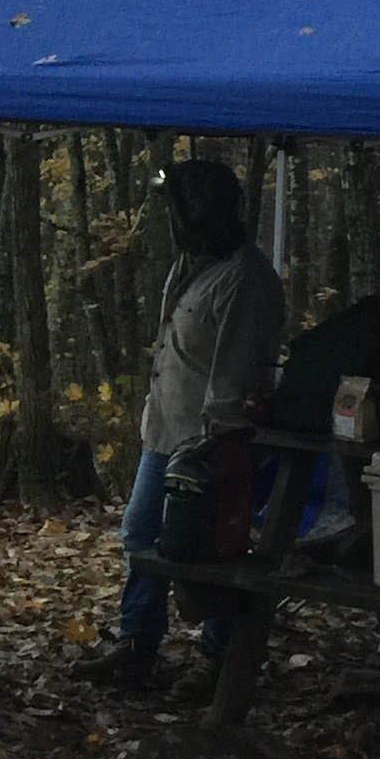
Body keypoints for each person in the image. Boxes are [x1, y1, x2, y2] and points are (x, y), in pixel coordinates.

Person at [75, 156, 284, 691]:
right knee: (141, 533)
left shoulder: (246, 279)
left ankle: (217, 658)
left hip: (210, 443)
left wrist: (219, 448)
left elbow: (234, 375)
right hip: (165, 431)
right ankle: (137, 644)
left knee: (210, 550)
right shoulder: (192, 265)